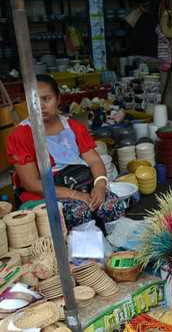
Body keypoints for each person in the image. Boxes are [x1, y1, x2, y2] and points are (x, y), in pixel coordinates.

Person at [7, 75, 126, 230]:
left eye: (46, 99)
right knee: (80, 212)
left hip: (81, 183)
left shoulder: (73, 127)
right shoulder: (20, 136)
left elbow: (94, 161)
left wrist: (100, 186)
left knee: (113, 205)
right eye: (34, 101)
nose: (40, 106)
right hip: (46, 193)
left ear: (58, 99)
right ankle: (85, 252)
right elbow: (32, 184)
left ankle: (116, 248)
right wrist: (75, 195)